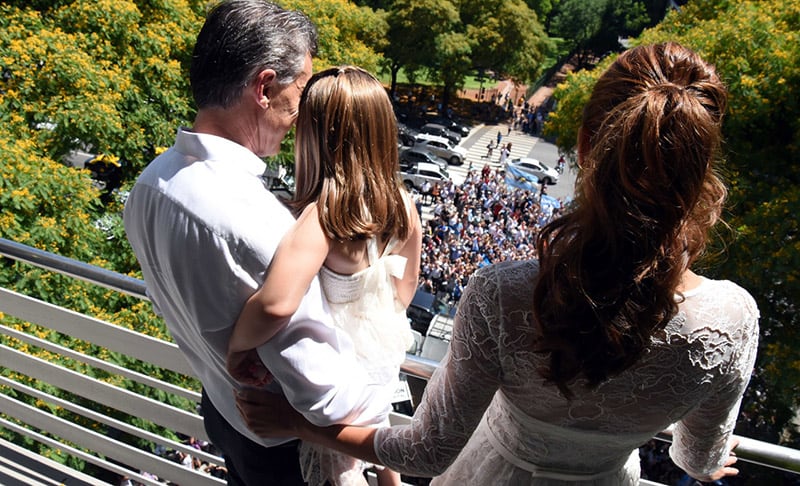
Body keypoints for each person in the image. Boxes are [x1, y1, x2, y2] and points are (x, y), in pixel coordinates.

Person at [235, 42, 760, 485]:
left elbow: (428, 451)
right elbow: (696, 458)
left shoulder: (505, 293)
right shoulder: (733, 320)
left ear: (582, 147)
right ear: (701, 172)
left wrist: (301, 425)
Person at [123, 2, 389, 484]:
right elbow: (324, 396)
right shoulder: (260, 228)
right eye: (303, 89)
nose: (305, 111)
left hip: (224, 417)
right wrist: (390, 407)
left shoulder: (149, 184)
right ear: (264, 88)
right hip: (283, 453)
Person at [227, 66, 422, 486]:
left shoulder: (322, 216)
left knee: (335, 471)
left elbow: (276, 303)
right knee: (374, 441)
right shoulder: (403, 204)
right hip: (380, 357)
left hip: (333, 371)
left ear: (314, 137)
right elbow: (404, 291)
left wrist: (237, 348)